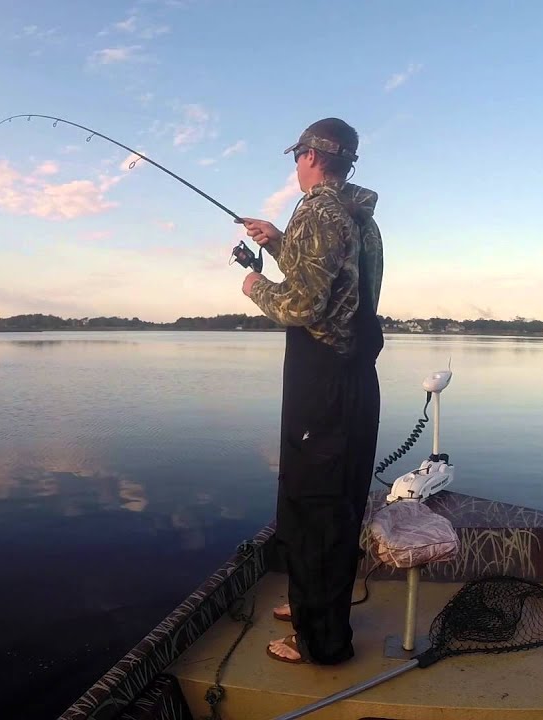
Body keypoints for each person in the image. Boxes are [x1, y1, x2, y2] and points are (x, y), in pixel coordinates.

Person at [240, 118, 384, 665]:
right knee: (334, 500)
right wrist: (278, 242)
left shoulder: (318, 211)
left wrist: (255, 286)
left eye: (295, 154)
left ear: (310, 155)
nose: (294, 164)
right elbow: (335, 283)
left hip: (322, 381)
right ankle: (312, 604)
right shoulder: (355, 216)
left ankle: (320, 640)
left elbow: (302, 306)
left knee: (314, 503)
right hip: (349, 377)